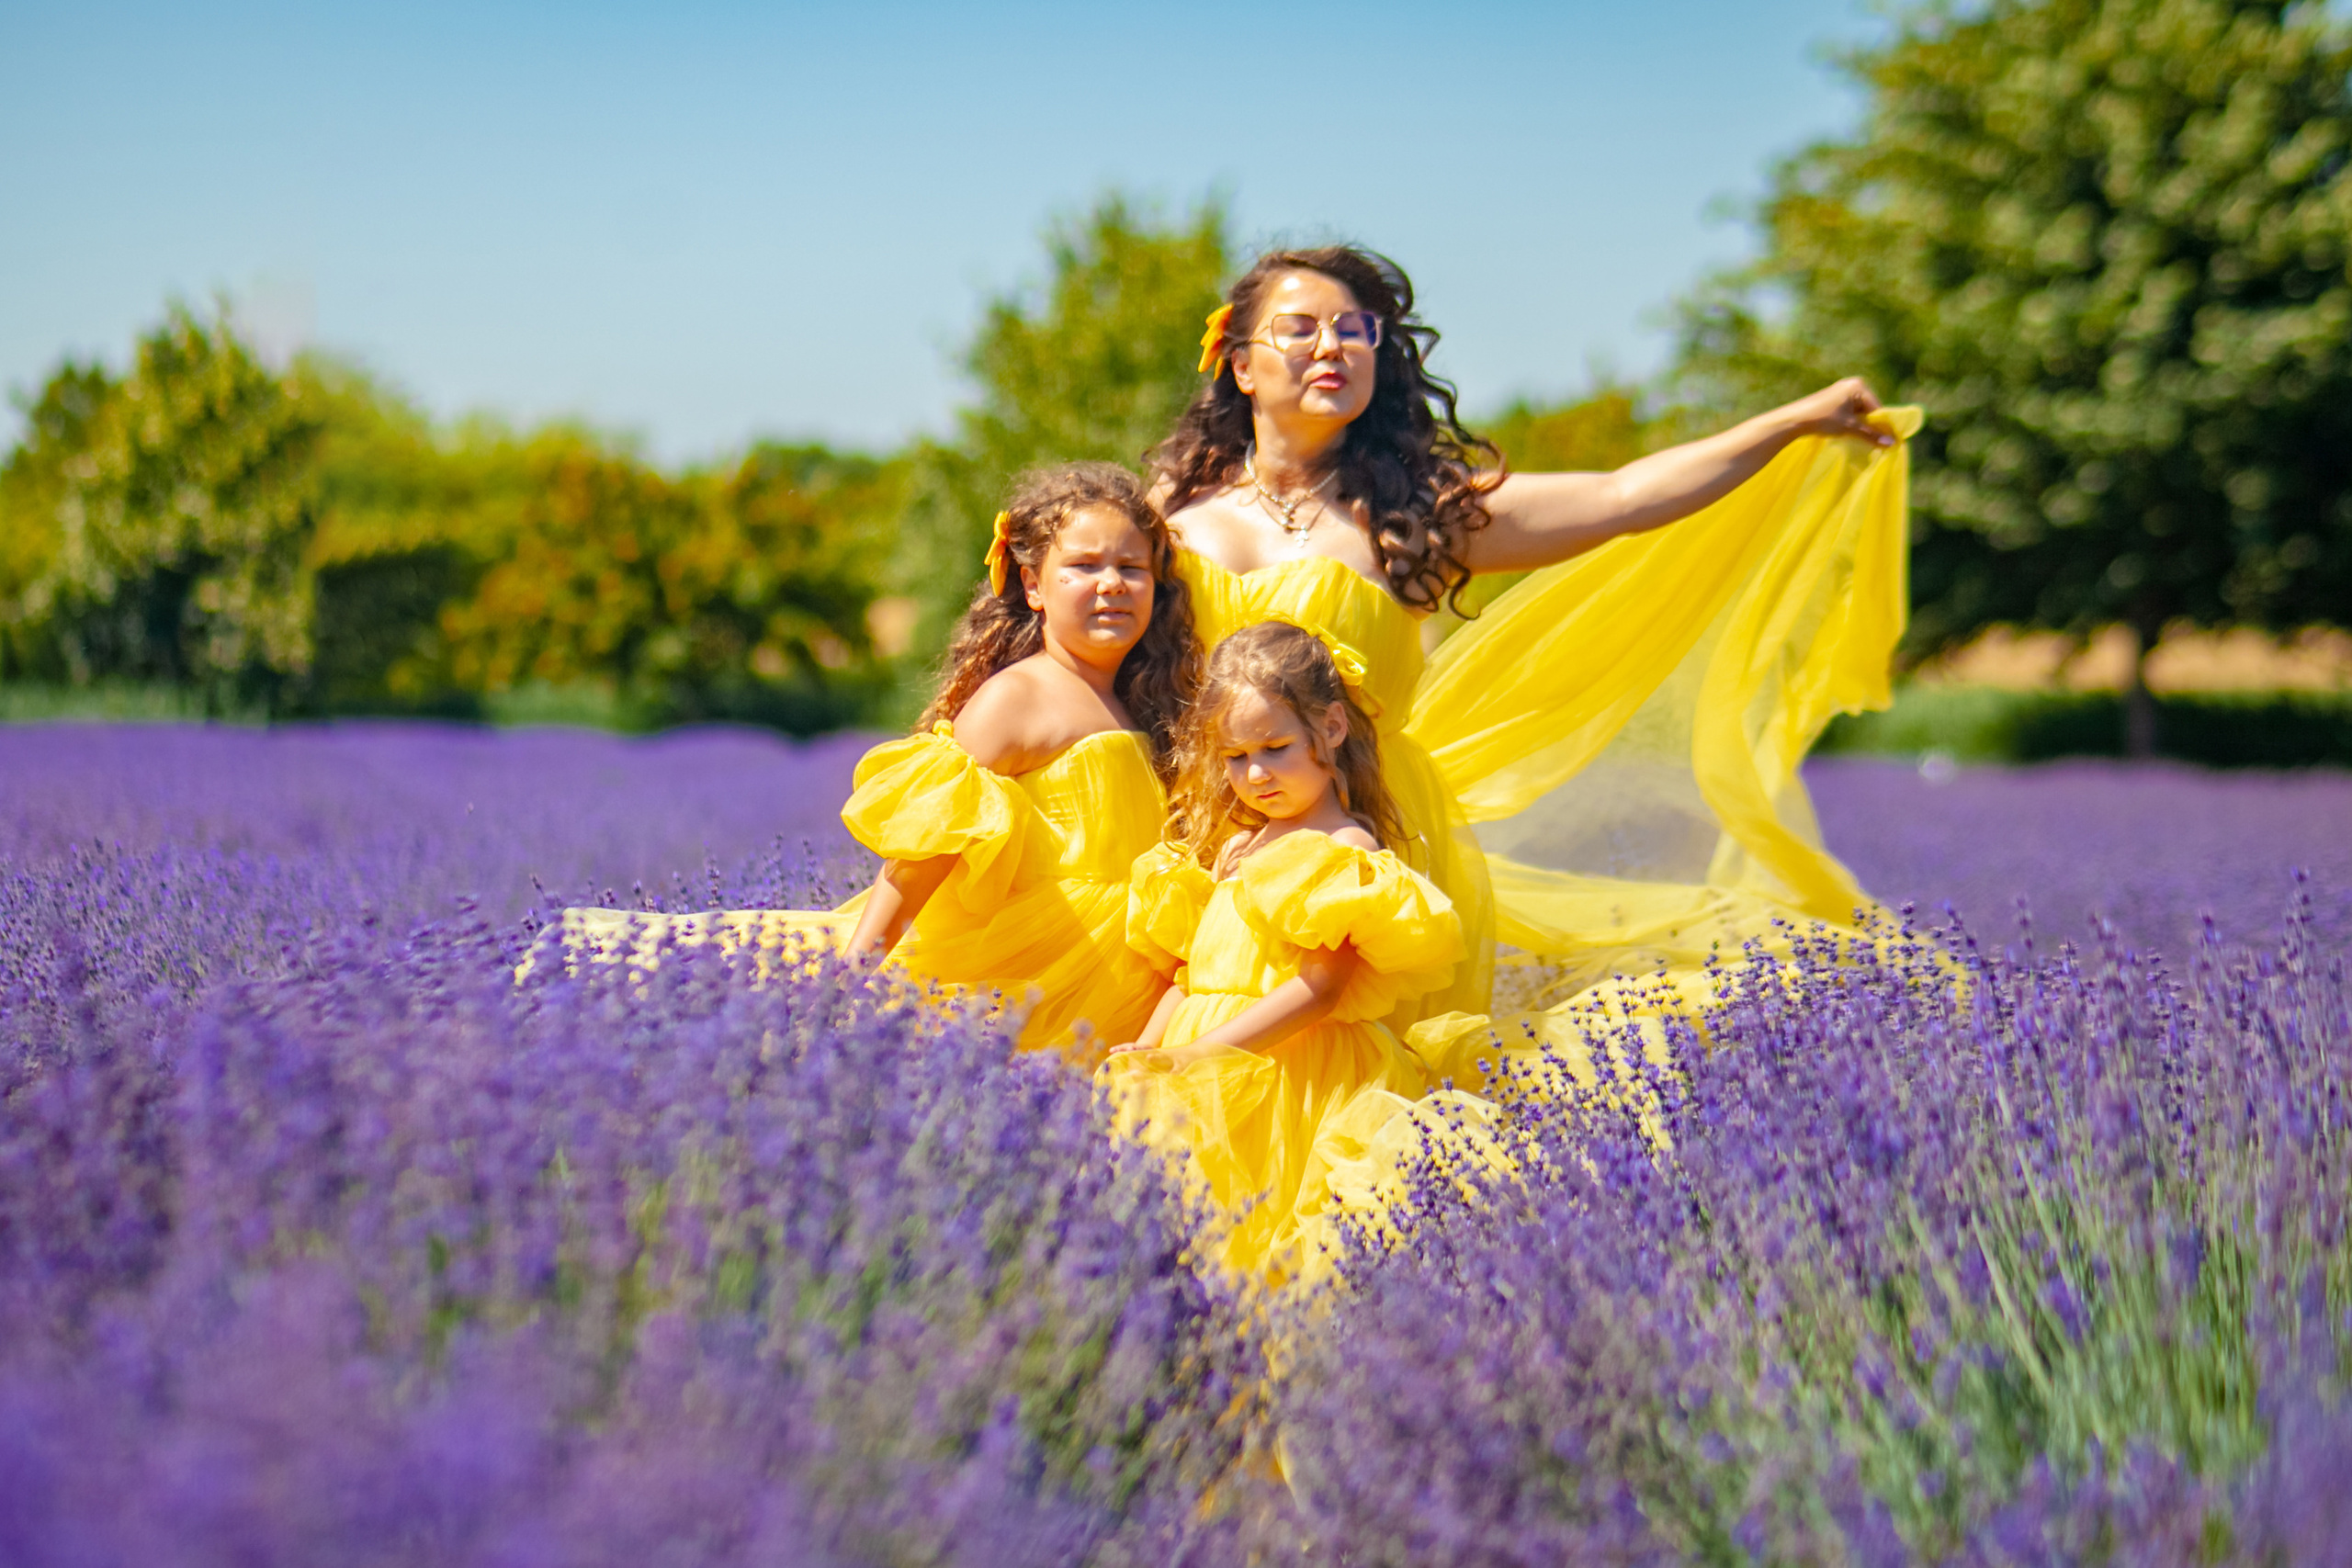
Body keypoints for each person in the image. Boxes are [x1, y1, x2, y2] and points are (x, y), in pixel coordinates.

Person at [1153, 244, 1919, 1026]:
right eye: (1301, 327)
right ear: (1241, 365)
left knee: (1346, 1080)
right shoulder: (1163, 519)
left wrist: (1792, 423)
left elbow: (1622, 495)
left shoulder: (1413, 518)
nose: (1333, 345)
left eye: (1354, 329)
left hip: (1363, 843)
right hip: (1191, 840)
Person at [558, 462, 1199, 1065]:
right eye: (1083, 566)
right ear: (1032, 584)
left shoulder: (1137, 705)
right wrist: (859, 968)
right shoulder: (1018, 697)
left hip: (1101, 980)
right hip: (1023, 970)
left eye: (1131, 567)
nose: (1111, 583)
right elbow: (926, 850)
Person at [1101, 622, 1464, 1282]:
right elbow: (1194, 968)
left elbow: (1320, 988)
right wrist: (1151, 1045)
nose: (1256, 773)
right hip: (1200, 1060)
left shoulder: (1343, 851)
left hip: (1287, 1072)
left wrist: (1204, 1053)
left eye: (1275, 747)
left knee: (1267, 1242)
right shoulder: (1239, 846)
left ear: (1329, 729)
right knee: (1187, 1243)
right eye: (1236, 756)